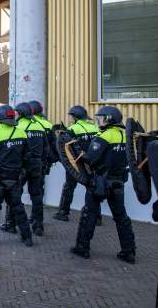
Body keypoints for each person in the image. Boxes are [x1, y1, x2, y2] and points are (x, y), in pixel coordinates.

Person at [71, 106, 136, 262]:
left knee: (90, 214)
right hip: (119, 181)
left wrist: (77, 151)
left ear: (108, 119)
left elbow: (91, 159)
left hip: (100, 181)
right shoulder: (125, 136)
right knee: (121, 217)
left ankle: (82, 247)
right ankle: (129, 251)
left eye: (100, 118)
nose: (98, 121)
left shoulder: (104, 136)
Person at [0, 105, 33, 247]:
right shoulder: (22, 134)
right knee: (18, 207)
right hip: (15, 178)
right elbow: (28, 157)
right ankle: (27, 237)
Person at [1, 102, 49, 236]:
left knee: (14, 195)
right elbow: (46, 148)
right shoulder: (39, 126)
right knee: (37, 195)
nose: (15, 115)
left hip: (22, 167)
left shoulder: (18, 127)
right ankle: (38, 225)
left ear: (20, 113)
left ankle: (11, 224)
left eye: (16, 112)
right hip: (37, 165)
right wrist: (43, 163)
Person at [53, 105, 99, 222]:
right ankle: (96, 217)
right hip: (91, 164)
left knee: (69, 187)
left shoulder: (72, 129)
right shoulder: (95, 127)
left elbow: (67, 147)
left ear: (76, 117)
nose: (70, 119)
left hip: (76, 164)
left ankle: (63, 213)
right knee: (92, 189)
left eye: (71, 117)